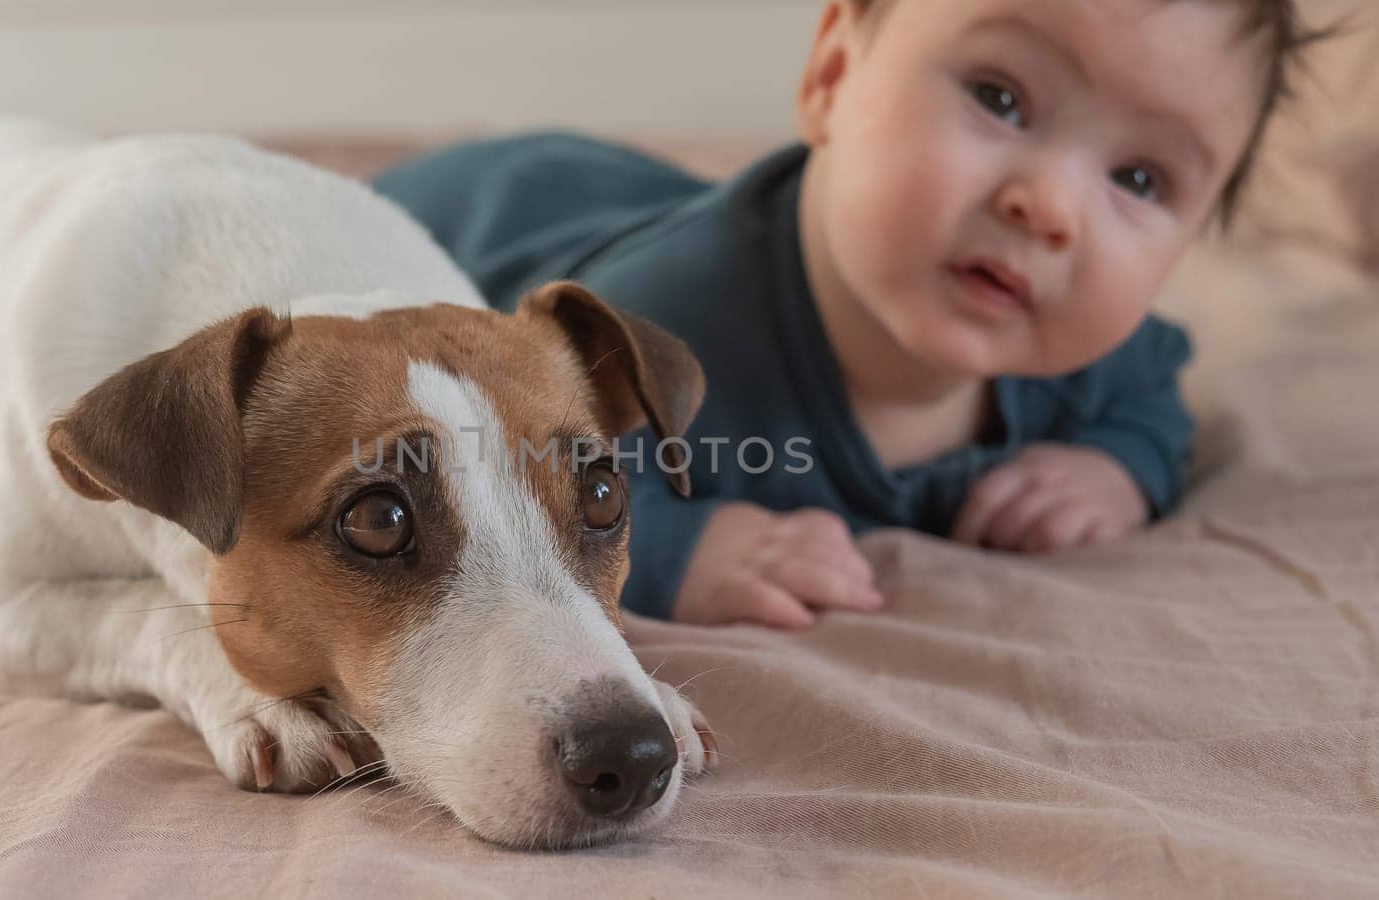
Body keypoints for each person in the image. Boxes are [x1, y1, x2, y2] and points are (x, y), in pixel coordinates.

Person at [373, 0, 1325, 629]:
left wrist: (1117, 466)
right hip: (488, 210)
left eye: (1139, 178)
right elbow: (518, 471)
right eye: (1001, 98)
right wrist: (679, 547)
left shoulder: (1085, 358)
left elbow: (1154, 399)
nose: (1052, 207)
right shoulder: (676, 329)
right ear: (831, 74)